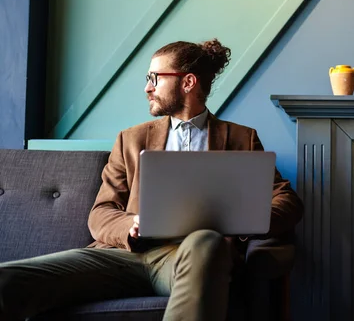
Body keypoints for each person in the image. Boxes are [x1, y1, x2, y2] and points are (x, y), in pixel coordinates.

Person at [0, 39, 304, 321]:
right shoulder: (131, 140)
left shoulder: (241, 139)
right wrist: (130, 225)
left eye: (154, 78)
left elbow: (287, 201)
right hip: (125, 256)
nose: (147, 88)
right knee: (8, 278)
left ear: (187, 82)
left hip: (192, 259)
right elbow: (101, 212)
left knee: (206, 241)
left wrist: (241, 221)